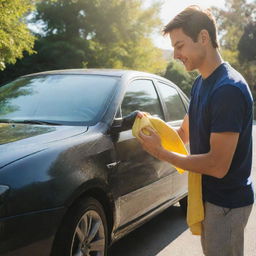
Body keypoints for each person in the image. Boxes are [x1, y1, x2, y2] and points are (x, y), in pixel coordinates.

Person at [136, 5, 254, 256]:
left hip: (227, 204)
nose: (176, 55)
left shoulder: (227, 90)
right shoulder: (201, 83)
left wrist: (161, 153)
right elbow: (182, 134)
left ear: (203, 37)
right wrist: (152, 126)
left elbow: (217, 165)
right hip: (209, 199)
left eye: (179, 46)